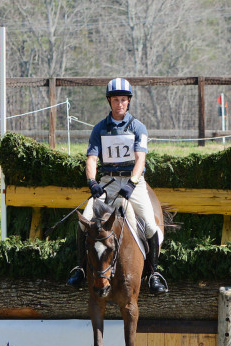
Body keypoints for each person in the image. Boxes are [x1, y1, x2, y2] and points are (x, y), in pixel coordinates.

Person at [66, 78, 168, 294]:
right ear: (109, 101)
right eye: (115, 100)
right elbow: (92, 159)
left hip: (134, 183)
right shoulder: (99, 129)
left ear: (128, 101)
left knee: (150, 225)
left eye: (123, 100)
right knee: (84, 222)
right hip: (108, 182)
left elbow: (140, 159)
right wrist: (92, 182)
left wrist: (131, 183)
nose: (119, 103)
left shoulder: (138, 127)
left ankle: (154, 273)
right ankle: (81, 268)